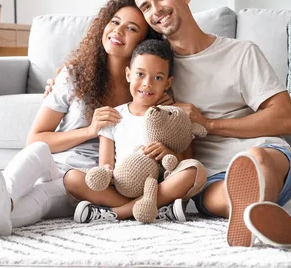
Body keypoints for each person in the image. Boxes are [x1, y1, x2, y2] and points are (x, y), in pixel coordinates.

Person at [0, 0, 161, 237]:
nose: (118, 31)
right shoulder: (75, 76)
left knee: (43, 196)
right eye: (114, 22)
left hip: (86, 182)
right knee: (37, 151)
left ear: (143, 42)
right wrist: (89, 130)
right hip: (52, 163)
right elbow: (36, 138)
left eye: (131, 28)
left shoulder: (146, 90)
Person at [129, 0, 291, 247]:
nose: (156, 10)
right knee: (231, 198)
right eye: (146, 6)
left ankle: (258, 210)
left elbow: (285, 118)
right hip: (208, 175)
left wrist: (207, 124)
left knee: (256, 158)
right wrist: (61, 79)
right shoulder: (155, 69)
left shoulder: (241, 52)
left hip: (266, 153)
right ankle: (266, 219)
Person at [64, 39, 206, 223]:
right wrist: (106, 172)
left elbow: (184, 161)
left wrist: (169, 153)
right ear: (128, 74)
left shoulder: (172, 117)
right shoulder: (114, 116)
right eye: (140, 74)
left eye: (157, 78)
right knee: (72, 178)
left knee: (194, 170)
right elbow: (105, 166)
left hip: (157, 187)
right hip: (121, 186)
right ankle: (153, 208)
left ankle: (118, 213)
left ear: (168, 83)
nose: (147, 84)